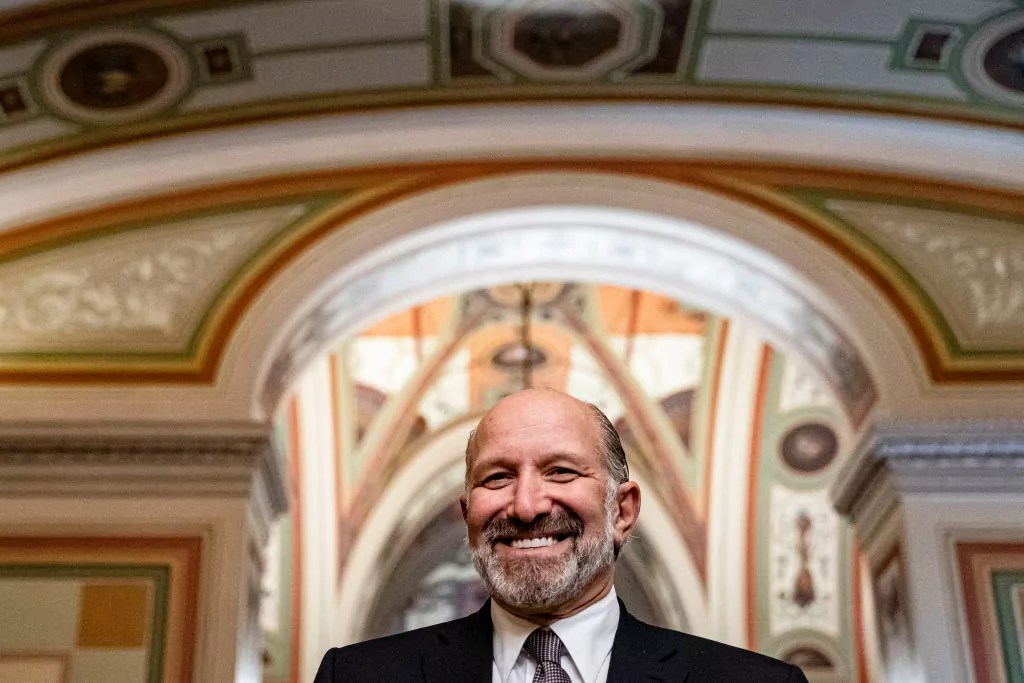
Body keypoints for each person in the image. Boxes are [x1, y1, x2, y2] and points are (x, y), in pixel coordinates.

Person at [315, 388, 808, 682]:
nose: (526, 505)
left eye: (562, 472)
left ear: (623, 510)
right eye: (497, 478)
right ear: (467, 514)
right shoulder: (358, 679)